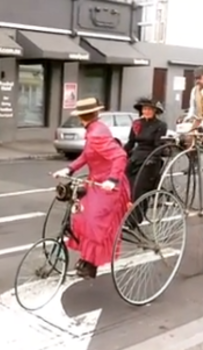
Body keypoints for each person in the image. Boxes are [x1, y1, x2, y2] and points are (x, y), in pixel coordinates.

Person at [52, 98, 131, 279]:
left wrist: (112, 179)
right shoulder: (93, 130)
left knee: (95, 222)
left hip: (110, 187)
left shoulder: (97, 133)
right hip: (95, 183)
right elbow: (87, 156)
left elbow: (120, 156)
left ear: (82, 117)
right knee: (81, 216)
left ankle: (92, 263)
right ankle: (88, 260)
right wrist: (69, 169)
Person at [124, 97, 168, 223]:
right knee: (125, 185)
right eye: (144, 109)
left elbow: (159, 145)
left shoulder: (160, 125)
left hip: (151, 158)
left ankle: (134, 220)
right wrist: (120, 153)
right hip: (136, 156)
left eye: (149, 109)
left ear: (155, 111)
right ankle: (122, 214)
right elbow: (131, 142)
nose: (146, 111)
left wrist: (153, 158)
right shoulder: (137, 124)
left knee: (138, 189)